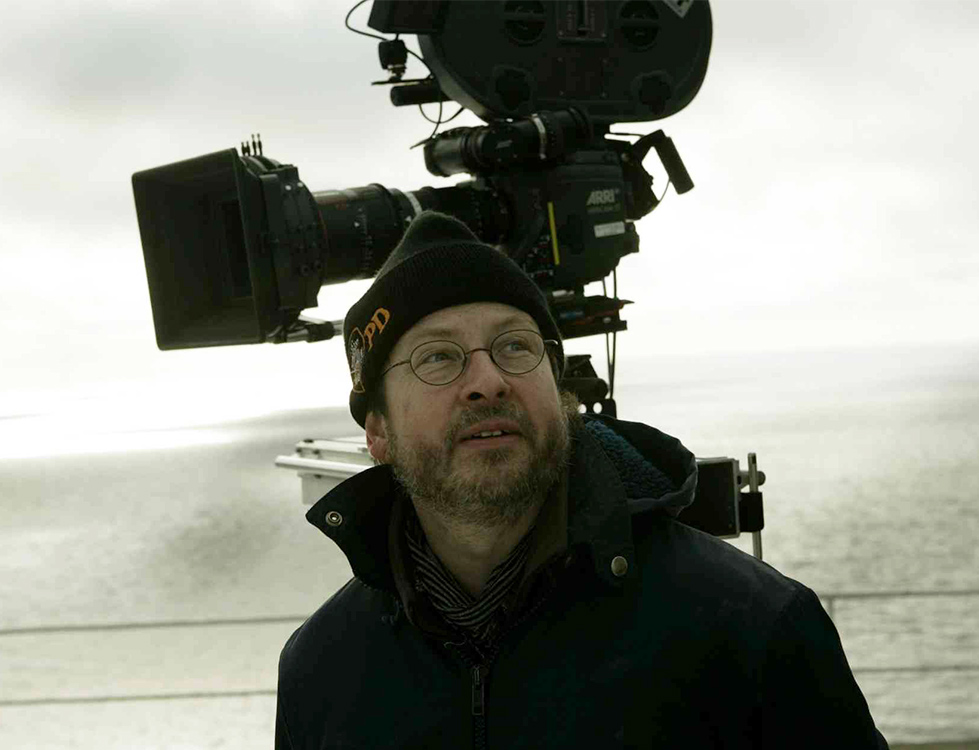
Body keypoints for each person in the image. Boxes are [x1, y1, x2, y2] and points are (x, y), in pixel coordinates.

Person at [274, 211, 889, 749]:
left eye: (515, 347)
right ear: (376, 430)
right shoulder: (321, 669)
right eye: (438, 356)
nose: (488, 380)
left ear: (560, 393)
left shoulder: (752, 627)